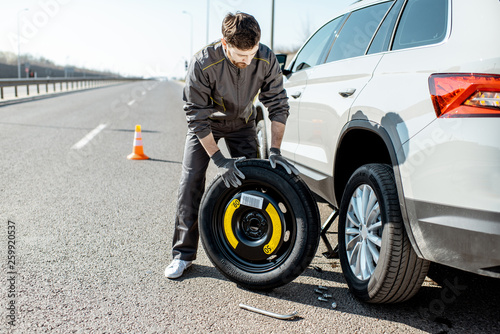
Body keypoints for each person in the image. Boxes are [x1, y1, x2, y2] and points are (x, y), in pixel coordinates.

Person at [165, 12, 298, 279]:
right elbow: (196, 117)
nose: (246, 62)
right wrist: (219, 160)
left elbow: (278, 105)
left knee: (255, 180)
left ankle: (251, 249)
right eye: (239, 57)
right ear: (225, 45)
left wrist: (275, 151)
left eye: (251, 55)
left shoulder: (266, 58)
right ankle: (183, 255)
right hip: (207, 126)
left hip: (242, 124)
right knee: (191, 181)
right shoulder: (202, 63)